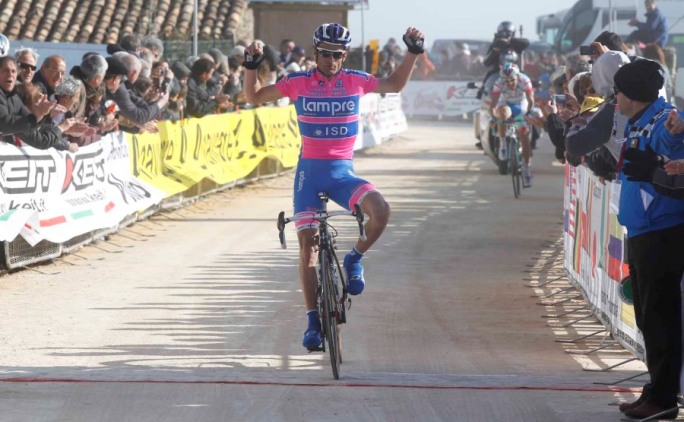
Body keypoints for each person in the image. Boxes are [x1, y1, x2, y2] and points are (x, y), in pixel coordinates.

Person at [243, 23, 425, 349]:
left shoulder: (355, 80)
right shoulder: (298, 82)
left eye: (337, 55)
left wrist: (412, 53)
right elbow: (253, 96)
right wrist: (251, 67)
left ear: (345, 55)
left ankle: (354, 258)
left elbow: (395, 84)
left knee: (380, 211)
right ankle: (313, 320)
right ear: (315, 53)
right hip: (308, 176)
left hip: (342, 174)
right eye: (326, 54)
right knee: (309, 248)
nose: (331, 60)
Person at [610, 59, 684, 420]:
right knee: (646, 317)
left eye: (618, 91)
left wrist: (672, 136)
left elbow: (673, 143)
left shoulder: (663, 119)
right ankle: (657, 389)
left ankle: (665, 397)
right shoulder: (640, 119)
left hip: (662, 233)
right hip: (641, 231)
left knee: (660, 318)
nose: (614, 97)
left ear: (634, 94)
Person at [489, 63, 535, 187]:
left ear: (518, 77)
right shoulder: (498, 83)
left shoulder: (525, 80)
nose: (509, 84)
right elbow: (493, 105)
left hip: (521, 104)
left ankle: (526, 169)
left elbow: (531, 101)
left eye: (512, 80)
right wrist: (494, 117)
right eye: (506, 81)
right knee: (502, 113)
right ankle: (503, 143)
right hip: (506, 104)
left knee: (524, 136)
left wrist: (529, 113)